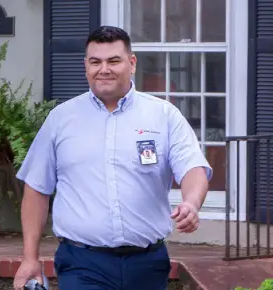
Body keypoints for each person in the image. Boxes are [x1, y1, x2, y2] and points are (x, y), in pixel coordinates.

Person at [11, 26, 212, 290]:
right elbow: (37, 188)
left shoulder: (163, 115)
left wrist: (191, 203)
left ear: (132, 63)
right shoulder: (61, 119)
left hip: (147, 263)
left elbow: (192, 168)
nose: (103, 69)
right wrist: (30, 258)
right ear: (86, 66)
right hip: (82, 262)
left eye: (113, 61)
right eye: (95, 62)